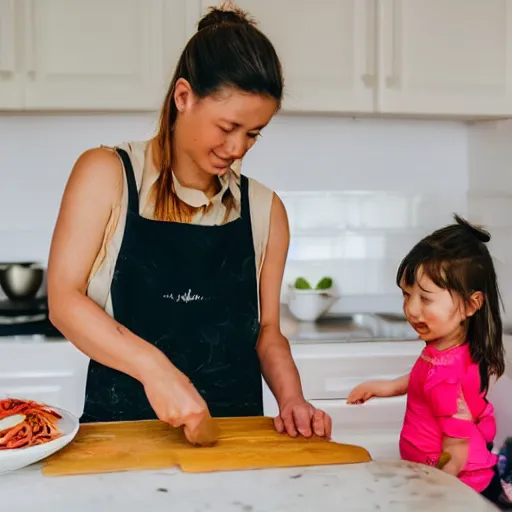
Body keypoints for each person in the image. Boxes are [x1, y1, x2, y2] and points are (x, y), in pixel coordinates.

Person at [47, 3, 332, 444]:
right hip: (120, 435)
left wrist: (292, 399)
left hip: (235, 438)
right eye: (229, 126)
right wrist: (157, 371)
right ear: (184, 97)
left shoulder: (265, 209)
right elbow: (64, 302)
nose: (237, 148)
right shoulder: (106, 174)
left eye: (253, 133)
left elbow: (268, 331)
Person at [347, 215, 512, 509]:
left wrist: (431, 488)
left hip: (456, 487)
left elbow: (457, 449)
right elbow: (420, 380)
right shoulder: (447, 353)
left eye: (425, 298)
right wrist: (381, 386)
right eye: (406, 294)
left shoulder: (445, 376)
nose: (410, 309)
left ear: (471, 305)